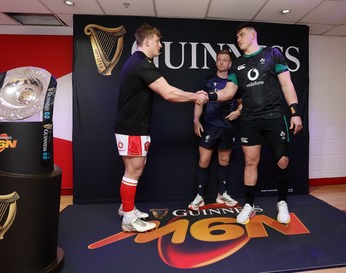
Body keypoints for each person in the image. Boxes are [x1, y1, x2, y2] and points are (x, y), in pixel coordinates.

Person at [203, 23, 303, 225]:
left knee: (282, 160)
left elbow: (287, 84)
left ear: (253, 35)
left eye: (241, 34)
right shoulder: (237, 64)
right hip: (249, 119)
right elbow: (228, 92)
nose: (238, 38)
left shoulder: (273, 54)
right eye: (236, 36)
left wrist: (295, 112)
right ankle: (249, 206)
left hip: (274, 116)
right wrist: (209, 96)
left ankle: (282, 202)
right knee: (250, 162)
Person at [114, 23, 208, 233]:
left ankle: (126, 208)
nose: (161, 46)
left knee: (135, 168)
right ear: (147, 41)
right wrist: (196, 96)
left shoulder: (139, 62)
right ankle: (128, 219)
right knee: (134, 170)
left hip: (133, 126)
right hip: (132, 127)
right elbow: (168, 93)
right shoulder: (140, 63)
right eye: (158, 41)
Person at [188, 49, 242, 211]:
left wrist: (238, 112)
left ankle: (222, 194)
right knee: (203, 161)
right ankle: (199, 196)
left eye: (225, 60)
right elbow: (199, 102)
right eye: (219, 59)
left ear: (230, 63)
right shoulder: (207, 81)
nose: (221, 62)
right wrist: (196, 120)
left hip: (227, 127)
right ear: (216, 61)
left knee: (224, 161)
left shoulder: (234, 83)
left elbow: (242, 102)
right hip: (209, 125)